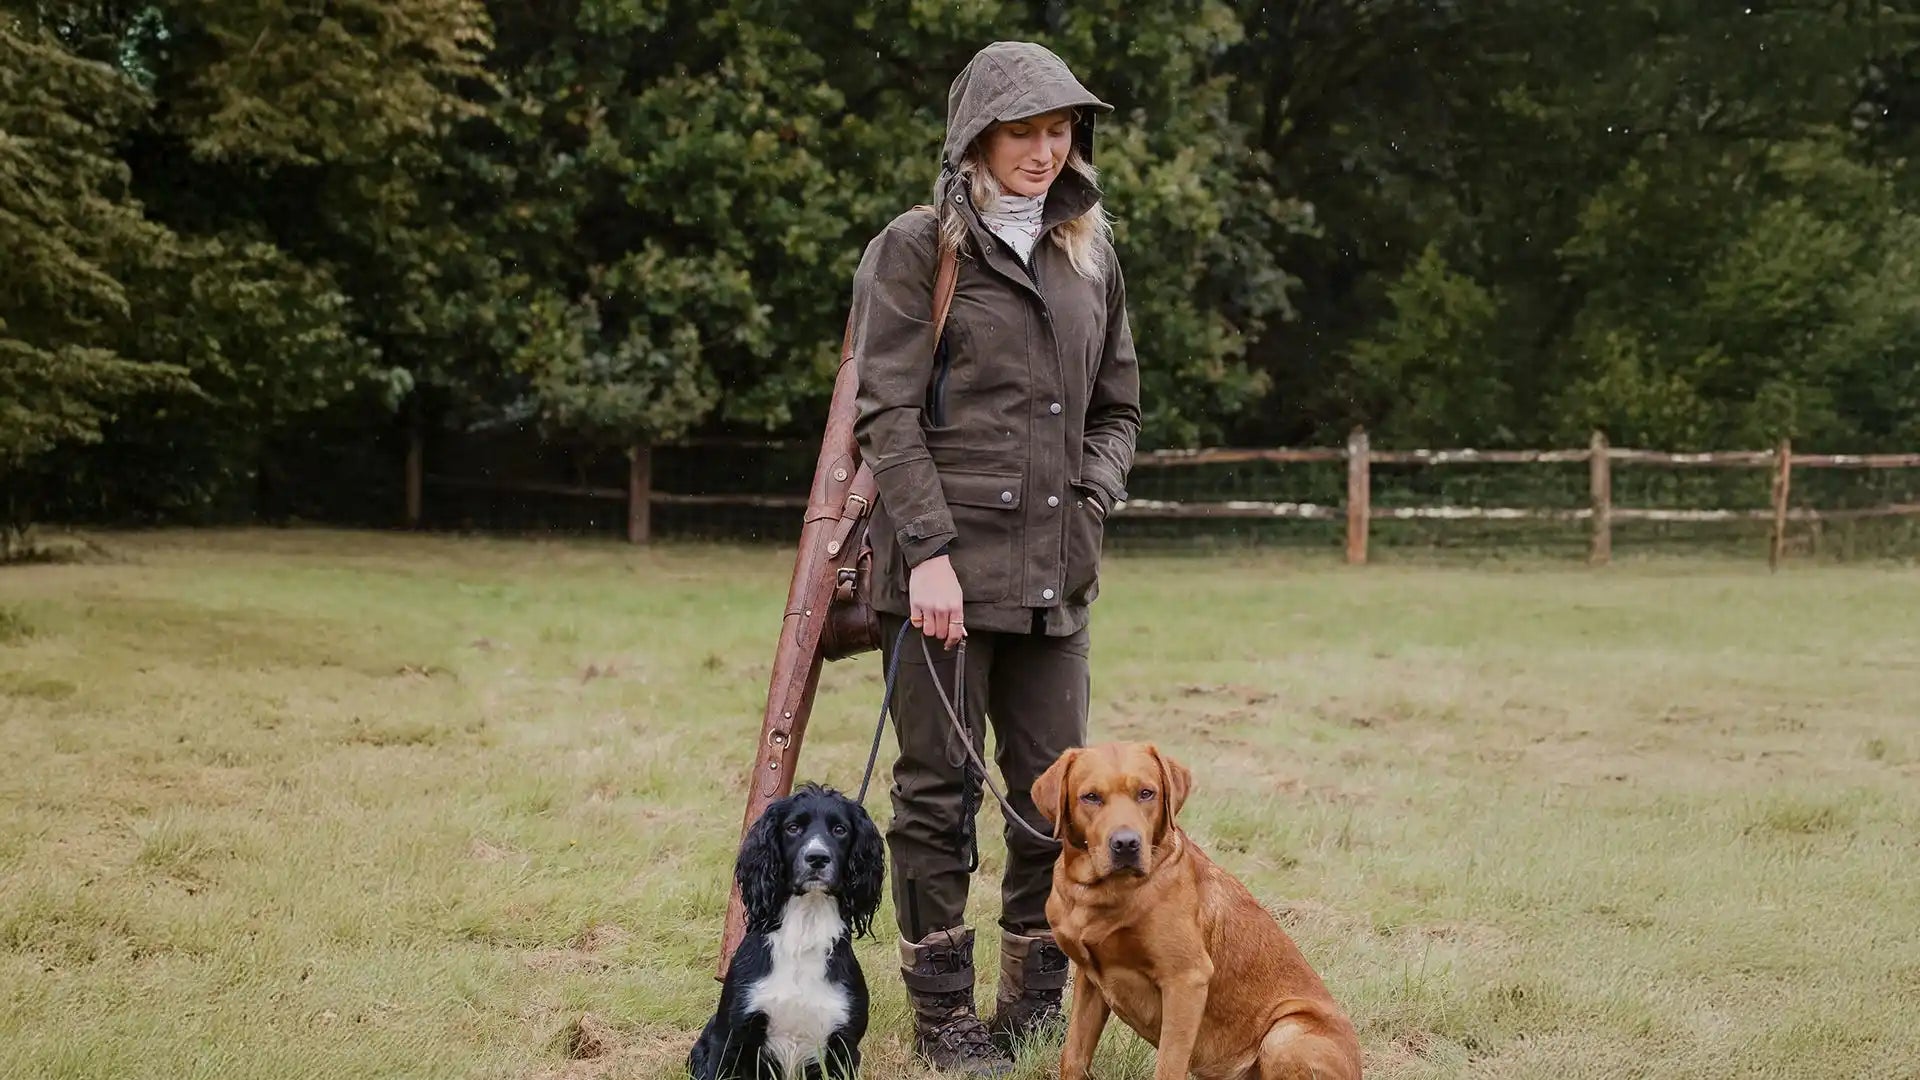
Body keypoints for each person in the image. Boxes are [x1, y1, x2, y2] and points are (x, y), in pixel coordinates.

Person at [848, 40, 1141, 1076]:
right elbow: (883, 410)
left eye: (1060, 131)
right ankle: (944, 1019)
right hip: (940, 574)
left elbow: (1118, 409)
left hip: (1058, 575)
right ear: (978, 137)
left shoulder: (1091, 253)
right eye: (1025, 130)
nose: (1044, 150)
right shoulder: (915, 248)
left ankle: (1029, 1005)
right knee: (935, 794)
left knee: (1052, 800)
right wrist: (926, 553)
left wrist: (1096, 498)